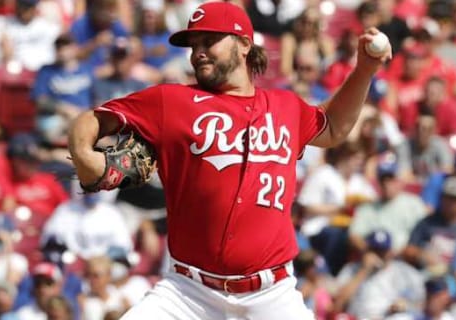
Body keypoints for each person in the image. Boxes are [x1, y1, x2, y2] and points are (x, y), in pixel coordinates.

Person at [66, 2, 390, 318]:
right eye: (194, 45)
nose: (198, 52)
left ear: (244, 44)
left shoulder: (285, 106)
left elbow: (333, 128)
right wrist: (83, 154)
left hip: (271, 296)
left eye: (209, 41)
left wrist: (364, 70)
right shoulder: (172, 101)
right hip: (187, 294)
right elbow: (93, 119)